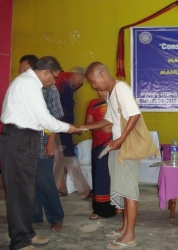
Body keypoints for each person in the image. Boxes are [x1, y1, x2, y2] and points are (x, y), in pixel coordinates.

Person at [0, 56, 79, 250]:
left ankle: (27, 233)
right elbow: (44, 118)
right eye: (53, 78)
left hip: (27, 138)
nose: (53, 83)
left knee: (27, 190)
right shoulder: (28, 84)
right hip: (18, 139)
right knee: (19, 192)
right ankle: (20, 242)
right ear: (45, 72)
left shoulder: (31, 84)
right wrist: (69, 128)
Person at [79, 62, 140, 249]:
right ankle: (124, 228)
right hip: (117, 145)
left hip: (126, 146)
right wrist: (86, 127)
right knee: (121, 187)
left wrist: (120, 139)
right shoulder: (112, 94)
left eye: (93, 81)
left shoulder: (121, 88)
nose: (93, 86)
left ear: (102, 75)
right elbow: (109, 120)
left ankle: (130, 235)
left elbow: (134, 115)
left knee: (129, 191)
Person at [54, 68, 90, 196]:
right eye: (80, 77)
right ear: (73, 74)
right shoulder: (63, 86)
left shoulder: (66, 87)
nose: (80, 81)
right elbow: (59, 109)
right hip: (63, 128)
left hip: (63, 127)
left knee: (61, 159)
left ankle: (55, 188)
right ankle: (83, 190)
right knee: (69, 157)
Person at [85, 89, 116, 220]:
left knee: (114, 177)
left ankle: (117, 207)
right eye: (99, 90)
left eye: (104, 90)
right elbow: (88, 124)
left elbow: (124, 123)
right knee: (99, 177)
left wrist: (111, 126)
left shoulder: (116, 104)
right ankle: (98, 209)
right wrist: (101, 126)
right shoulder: (93, 104)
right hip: (98, 145)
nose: (102, 93)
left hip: (114, 145)